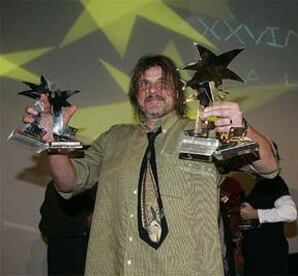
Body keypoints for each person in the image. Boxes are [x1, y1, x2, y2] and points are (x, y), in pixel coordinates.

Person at [22, 55, 278, 274]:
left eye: (162, 83)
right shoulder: (113, 137)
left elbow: (268, 167)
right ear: (136, 95)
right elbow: (68, 182)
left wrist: (243, 130)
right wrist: (53, 143)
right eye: (145, 83)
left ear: (178, 92)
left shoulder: (204, 132)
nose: (153, 90)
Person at [240, 168, 297, 275]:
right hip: (255, 257)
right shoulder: (258, 183)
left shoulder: (274, 181)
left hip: (269, 256)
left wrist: (255, 214)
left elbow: (290, 213)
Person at [39, 181, 96, 275]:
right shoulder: (56, 187)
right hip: (65, 263)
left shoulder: (102, 189)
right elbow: (46, 226)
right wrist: (85, 222)